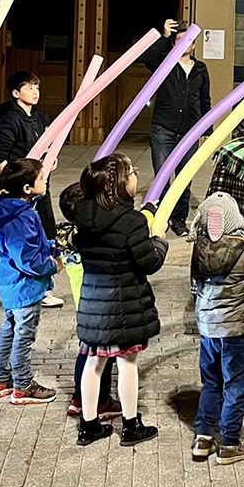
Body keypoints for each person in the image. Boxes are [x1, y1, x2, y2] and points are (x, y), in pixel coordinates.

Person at [75, 153, 167, 446]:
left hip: (93, 303)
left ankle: (89, 425)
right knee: (127, 363)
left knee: (94, 362)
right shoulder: (132, 222)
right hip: (123, 305)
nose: (136, 176)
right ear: (120, 184)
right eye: (131, 172)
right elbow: (149, 262)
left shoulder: (83, 217)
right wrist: (159, 240)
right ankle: (130, 426)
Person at [190, 192, 244, 465]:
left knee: (211, 383)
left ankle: (203, 438)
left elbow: (196, 283)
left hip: (208, 331)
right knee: (237, 387)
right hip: (237, 332)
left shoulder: (199, 249)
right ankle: (229, 443)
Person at [0, 158, 60, 404]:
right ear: (27, 188)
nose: (45, 181)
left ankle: (0, 380)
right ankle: (23, 385)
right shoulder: (21, 216)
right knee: (24, 336)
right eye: (41, 178)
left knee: (9, 329)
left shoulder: (6, 209)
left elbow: (30, 244)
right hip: (25, 286)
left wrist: (50, 246)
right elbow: (27, 257)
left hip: (10, 284)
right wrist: (53, 265)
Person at [0, 71, 63, 308]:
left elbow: (48, 146)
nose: (35, 92)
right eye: (29, 87)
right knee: (23, 235)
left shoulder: (41, 117)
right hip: (20, 191)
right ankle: (29, 286)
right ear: (15, 93)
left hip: (39, 184)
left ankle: (44, 285)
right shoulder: (9, 119)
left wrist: (50, 159)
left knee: (46, 228)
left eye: (37, 87)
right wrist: (18, 182)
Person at [141, 19, 212, 237]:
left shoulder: (200, 69)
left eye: (188, 40)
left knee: (184, 178)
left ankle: (179, 219)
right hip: (164, 128)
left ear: (194, 44)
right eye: (179, 39)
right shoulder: (166, 64)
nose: (184, 43)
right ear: (174, 44)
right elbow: (147, 58)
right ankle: (160, 217)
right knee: (162, 177)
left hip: (189, 131)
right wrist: (163, 35)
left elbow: (205, 101)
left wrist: (207, 131)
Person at [55, 182, 120, 421]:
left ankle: (79, 397)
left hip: (83, 304)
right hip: (102, 300)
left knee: (86, 351)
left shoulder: (65, 235)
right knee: (103, 355)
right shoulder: (92, 237)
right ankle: (101, 401)